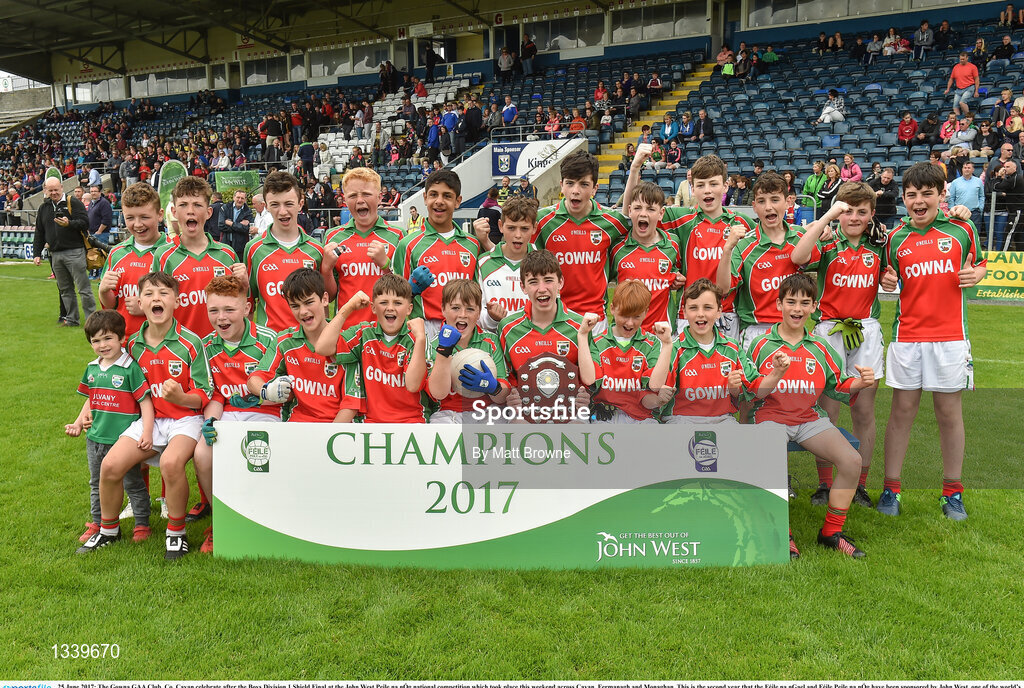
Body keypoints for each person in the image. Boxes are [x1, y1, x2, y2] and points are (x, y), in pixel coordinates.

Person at [878, 163, 986, 521]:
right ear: (905, 199)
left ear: (943, 195)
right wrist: (889, 283)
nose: (919, 201)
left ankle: (952, 492)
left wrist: (976, 275)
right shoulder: (895, 239)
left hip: (951, 338)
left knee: (948, 414)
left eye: (927, 193)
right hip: (907, 338)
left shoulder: (962, 228)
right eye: (912, 195)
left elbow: (980, 265)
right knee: (901, 413)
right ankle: (891, 489)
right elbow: (889, 277)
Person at [76, 271, 211, 559]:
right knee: (110, 466)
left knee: (171, 464)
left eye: (163, 293)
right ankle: (109, 531)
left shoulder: (191, 342)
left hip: (184, 420)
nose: (156, 298)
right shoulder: (132, 345)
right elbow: (104, 378)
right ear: (139, 301)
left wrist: (180, 397)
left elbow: (203, 395)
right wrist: (88, 410)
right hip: (147, 420)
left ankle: (176, 533)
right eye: (149, 294)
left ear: (176, 300)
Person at [748, 273, 877, 559]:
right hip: (770, 418)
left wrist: (860, 382)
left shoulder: (820, 347)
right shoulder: (760, 345)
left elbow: (838, 385)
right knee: (771, 462)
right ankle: (783, 533)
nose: (797, 309)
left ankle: (831, 533)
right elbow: (751, 392)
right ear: (779, 303)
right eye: (790, 302)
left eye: (804, 303)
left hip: (808, 418)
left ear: (813, 306)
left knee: (852, 460)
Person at [792, 183, 887, 509]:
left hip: (865, 332)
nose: (855, 217)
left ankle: (859, 485)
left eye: (863, 211)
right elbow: (798, 256)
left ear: (872, 214)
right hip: (829, 331)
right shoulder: (828, 245)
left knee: (863, 410)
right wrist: (827, 218)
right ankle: (825, 484)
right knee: (827, 410)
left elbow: (893, 274)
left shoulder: (880, 247)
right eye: (849, 210)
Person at [625, 150, 753, 340]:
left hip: (726, 313)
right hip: (689, 313)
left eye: (713, 184)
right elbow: (634, 210)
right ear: (692, 188)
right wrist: (635, 168)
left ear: (725, 186)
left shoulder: (741, 223)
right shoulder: (683, 218)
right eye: (700, 185)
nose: (707, 190)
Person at [193, 275, 280, 554]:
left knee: (257, 453)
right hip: (228, 414)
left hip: (265, 414)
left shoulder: (269, 339)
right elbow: (216, 395)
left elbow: (276, 393)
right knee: (202, 454)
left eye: (229, 310)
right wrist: (211, 421)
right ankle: (222, 520)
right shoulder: (206, 346)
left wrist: (255, 397)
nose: (221, 318)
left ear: (246, 308)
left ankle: (263, 520)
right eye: (214, 311)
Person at [66, 310, 154, 546]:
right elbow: (90, 398)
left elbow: (145, 401)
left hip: (123, 440)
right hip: (95, 438)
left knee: (132, 483)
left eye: (107, 338)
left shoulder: (130, 368)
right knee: (96, 483)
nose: (102, 345)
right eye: (96, 340)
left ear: (121, 338)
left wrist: (146, 432)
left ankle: (142, 523)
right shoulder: (92, 368)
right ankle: (99, 522)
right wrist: (78, 422)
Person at [525, 151, 627, 334]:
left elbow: (642, 237)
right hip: (555, 319)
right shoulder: (542, 221)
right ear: (561, 186)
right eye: (570, 183)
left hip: (596, 321)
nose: (575, 190)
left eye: (584, 184)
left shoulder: (612, 222)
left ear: (595, 188)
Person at [247, 268, 362, 423]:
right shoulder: (286, 341)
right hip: (297, 426)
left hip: (337, 430)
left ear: (325, 299)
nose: (303, 311)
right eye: (295, 306)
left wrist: (327, 439)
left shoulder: (346, 342)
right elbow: (255, 379)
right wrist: (267, 391)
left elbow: (350, 405)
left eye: (309, 302)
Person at [316, 274, 428, 422]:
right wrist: (348, 307)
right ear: (373, 308)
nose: (390, 308)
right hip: (371, 422)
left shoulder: (415, 338)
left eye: (398, 303)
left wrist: (420, 339)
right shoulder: (364, 334)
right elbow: (322, 348)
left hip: (411, 421)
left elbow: (413, 385)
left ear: (409, 309)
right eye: (383, 302)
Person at [496, 249, 590, 420]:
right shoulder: (508, 328)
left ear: (560, 282)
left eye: (548, 280)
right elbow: (506, 379)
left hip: (569, 413)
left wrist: (586, 394)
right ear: (523, 287)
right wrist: (510, 394)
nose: (541, 289)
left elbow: (589, 380)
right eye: (533, 282)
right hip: (524, 413)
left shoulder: (580, 327)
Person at [717, 172, 804, 351]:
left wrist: (824, 228)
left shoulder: (802, 238)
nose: (768, 207)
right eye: (762, 201)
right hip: (757, 332)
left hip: (795, 330)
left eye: (775, 199)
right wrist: (727, 250)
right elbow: (723, 289)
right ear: (754, 206)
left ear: (788, 202)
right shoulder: (744, 245)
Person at [394, 170, 479, 340]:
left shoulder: (473, 244)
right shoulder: (408, 244)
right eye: (433, 194)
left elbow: (478, 294)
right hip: (425, 328)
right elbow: (395, 298)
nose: (439, 201)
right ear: (425, 198)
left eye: (447, 196)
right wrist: (411, 289)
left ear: (458, 201)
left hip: (464, 328)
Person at [577, 281, 674, 424]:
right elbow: (589, 379)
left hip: (640, 418)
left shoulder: (652, 344)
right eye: (624, 315)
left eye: (636, 317)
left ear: (646, 312)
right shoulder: (599, 341)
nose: (629, 323)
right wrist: (583, 335)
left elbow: (654, 386)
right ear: (612, 309)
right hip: (603, 416)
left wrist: (667, 344)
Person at [320, 167, 404, 329]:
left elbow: (405, 292)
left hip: (387, 333)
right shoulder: (333, 237)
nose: (360, 200)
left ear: (379, 198)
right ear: (345, 200)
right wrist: (326, 268)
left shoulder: (398, 236)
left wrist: (386, 265)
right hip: (347, 333)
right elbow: (329, 296)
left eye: (366, 194)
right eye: (352, 195)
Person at [245, 171, 326, 332]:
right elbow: (248, 305)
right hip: (269, 346)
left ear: (300, 204)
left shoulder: (316, 250)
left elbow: (323, 304)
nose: (282, 211)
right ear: (266, 206)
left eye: (289, 204)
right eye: (275, 204)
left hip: (308, 346)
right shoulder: (254, 249)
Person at [423, 279, 512, 423]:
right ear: (443, 309)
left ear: (479, 313)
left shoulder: (491, 341)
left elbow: (503, 395)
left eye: (470, 309)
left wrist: (492, 387)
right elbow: (438, 394)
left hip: (487, 411)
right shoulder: (433, 344)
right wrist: (444, 351)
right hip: (447, 413)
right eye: (455, 308)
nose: (462, 314)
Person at [98, 183, 173, 338]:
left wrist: (147, 307)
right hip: (125, 343)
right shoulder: (117, 253)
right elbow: (111, 304)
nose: (138, 224)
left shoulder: (172, 252)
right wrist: (103, 291)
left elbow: (184, 302)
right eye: (130, 218)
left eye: (144, 217)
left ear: (160, 215)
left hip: (162, 343)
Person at [610, 181, 682, 331]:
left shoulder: (672, 244)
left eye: (650, 209)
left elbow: (675, 272)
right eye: (637, 208)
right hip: (627, 333)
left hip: (662, 333)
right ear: (629, 211)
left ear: (661, 213)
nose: (643, 213)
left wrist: (677, 277)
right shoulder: (617, 248)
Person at [33, 176, 95, 327]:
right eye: (50, 190)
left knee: (83, 289)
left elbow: (85, 223)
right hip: (55, 254)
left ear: (62, 187)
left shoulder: (73, 202)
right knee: (65, 290)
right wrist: (36, 253)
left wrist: (69, 224)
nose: (53, 193)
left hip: (75, 252)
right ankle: (72, 319)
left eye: (56, 189)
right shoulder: (44, 207)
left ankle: (93, 320)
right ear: (45, 190)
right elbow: (39, 231)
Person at [473, 195, 537, 332]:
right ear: (501, 226)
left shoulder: (544, 264)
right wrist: (492, 318)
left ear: (534, 228)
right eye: (511, 228)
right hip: (493, 347)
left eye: (524, 228)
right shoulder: (483, 263)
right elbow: (475, 314)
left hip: (532, 343)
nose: (518, 235)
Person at [948, 161, 985, 231]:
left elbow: (981, 196)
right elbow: (951, 198)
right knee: (960, 233)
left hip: (974, 213)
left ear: (973, 169)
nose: (966, 169)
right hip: (958, 213)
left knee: (975, 233)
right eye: (965, 168)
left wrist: (981, 208)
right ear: (962, 169)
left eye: (969, 168)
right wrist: (952, 210)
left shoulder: (978, 181)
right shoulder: (955, 182)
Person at [219, 189, 254, 258]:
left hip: (240, 247)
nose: (240, 200)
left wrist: (231, 224)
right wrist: (239, 225)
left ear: (245, 200)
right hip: (226, 244)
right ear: (233, 197)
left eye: (242, 198)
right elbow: (221, 226)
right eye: (238, 197)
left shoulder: (248, 211)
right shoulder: (225, 208)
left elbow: (246, 229)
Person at [946, 52, 981, 117]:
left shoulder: (972, 67)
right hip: (959, 89)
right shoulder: (956, 67)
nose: (961, 61)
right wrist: (948, 89)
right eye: (960, 59)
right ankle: (959, 121)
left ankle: (969, 118)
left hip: (969, 87)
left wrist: (976, 91)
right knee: (955, 106)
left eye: (963, 59)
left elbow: (976, 79)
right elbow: (951, 79)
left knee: (962, 102)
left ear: (967, 58)